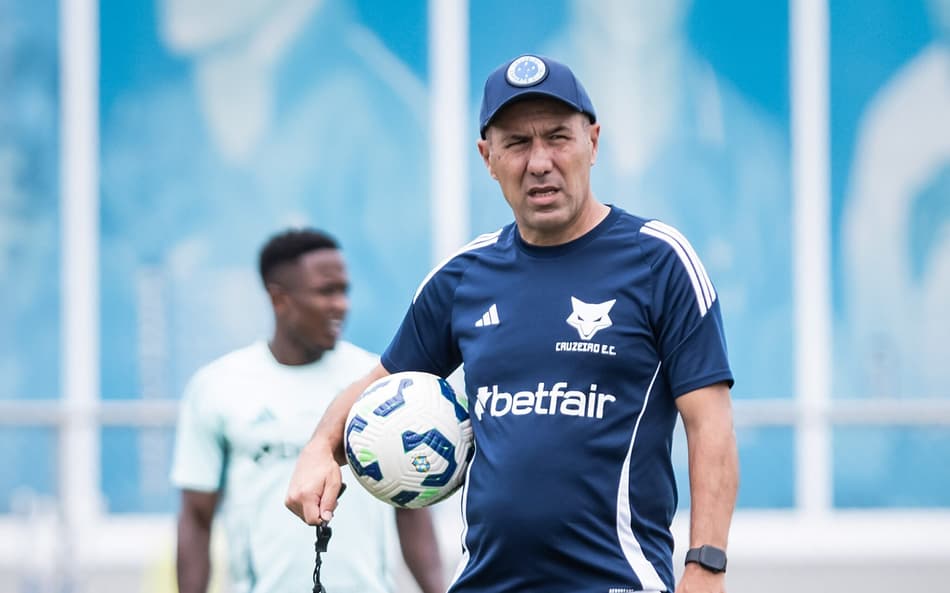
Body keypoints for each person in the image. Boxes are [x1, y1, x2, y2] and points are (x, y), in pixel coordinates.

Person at [286, 55, 739, 593]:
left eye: (558, 137)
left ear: (593, 142)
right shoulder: (463, 277)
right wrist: (319, 447)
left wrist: (705, 565)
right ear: (488, 157)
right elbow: (374, 390)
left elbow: (709, 426)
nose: (539, 161)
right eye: (517, 143)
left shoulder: (660, 261)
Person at [170, 228, 445, 593]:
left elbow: (409, 508)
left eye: (344, 290)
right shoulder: (218, 387)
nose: (341, 304)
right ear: (279, 299)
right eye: (326, 291)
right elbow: (196, 517)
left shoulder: (375, 384)